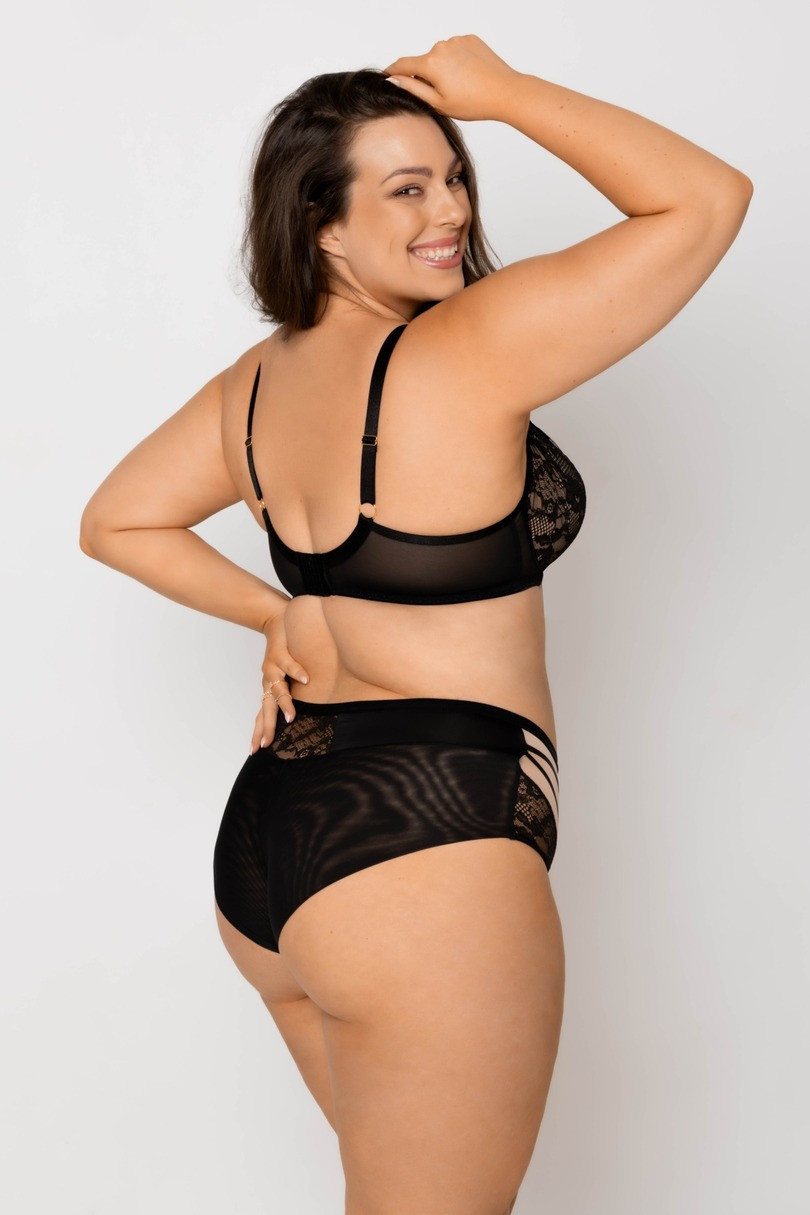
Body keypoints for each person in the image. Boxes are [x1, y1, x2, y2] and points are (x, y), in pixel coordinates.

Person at [79, 34, 752, 1215]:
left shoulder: (253, 386)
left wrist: (278, 609)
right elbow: (706, 199)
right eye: (406, 189)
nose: (450, 211)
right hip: (425, 853)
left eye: (454, 175)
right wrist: (506, 94)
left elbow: (118, 520)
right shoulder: (473, 345)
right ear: (322, 228)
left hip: (275, 849)